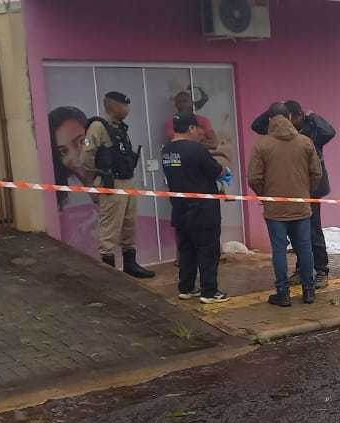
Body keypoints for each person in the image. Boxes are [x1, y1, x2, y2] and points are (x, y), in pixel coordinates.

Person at [252, 100, 336, 286]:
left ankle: (321, 270)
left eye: (290, 118)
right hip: (290, 190)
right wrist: (274, 110)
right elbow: (256, 126)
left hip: (310, 191)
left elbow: (330, 132)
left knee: (313, 232)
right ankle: (302, 271)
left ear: (298, 116)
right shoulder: (276, 134)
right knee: (297, 236)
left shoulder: (312, 130)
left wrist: (313, 116)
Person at [78, 91, 155, 279]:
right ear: (113, 106)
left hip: (127, 181)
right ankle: (109, 274)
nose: (127, 110)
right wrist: (96, 179)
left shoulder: (120, 127)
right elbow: (86, 158)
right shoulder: (98, 126)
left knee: (129, 225)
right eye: (124, 106)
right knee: (110, 229)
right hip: (111, 183)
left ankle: (130, 264)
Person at [160, 114, 229, 304]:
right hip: (202, 210)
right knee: (208, 250)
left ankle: (187, 287)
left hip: (179, 208)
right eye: (199, 129)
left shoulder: (167, 150)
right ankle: (209, 291)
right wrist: (225, 171)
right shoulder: (196, 149)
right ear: (190, 128)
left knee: (186, 250)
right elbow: (215, 171)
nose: (201, 133)